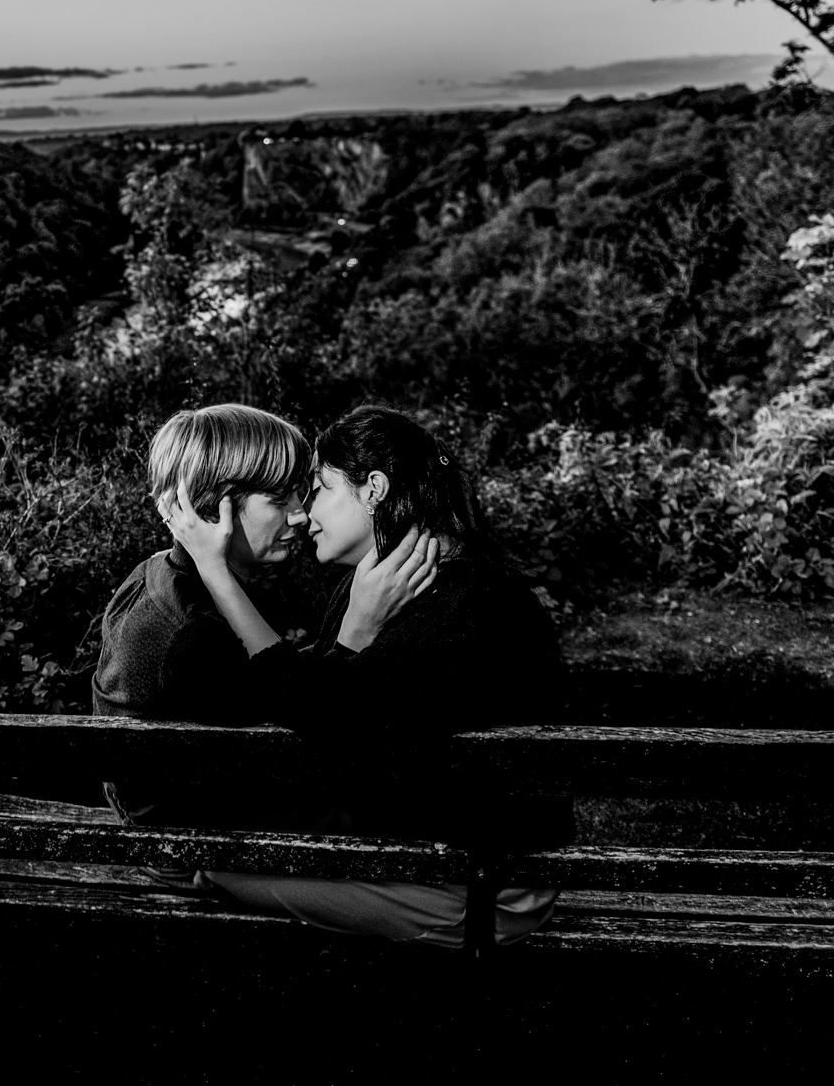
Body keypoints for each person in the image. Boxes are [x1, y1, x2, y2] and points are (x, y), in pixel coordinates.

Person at [162, 404, 573, 948]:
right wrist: (356, 623)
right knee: (227, 854)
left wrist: (214, 572)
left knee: (215, 871)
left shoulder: (471, 605)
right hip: (434, 860)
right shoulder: (391, 588)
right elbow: (318, 701)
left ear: (374, 488)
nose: (305, 513)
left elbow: (319, 715)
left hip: (486, 887)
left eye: (319, 489)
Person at [90, 403, 312, 828]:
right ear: (215, 509)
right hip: (192, 851)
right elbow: (302, 716)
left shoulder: (155, 573)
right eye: (281, 498)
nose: (300, 514)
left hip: (166, 824)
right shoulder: (197, 632)